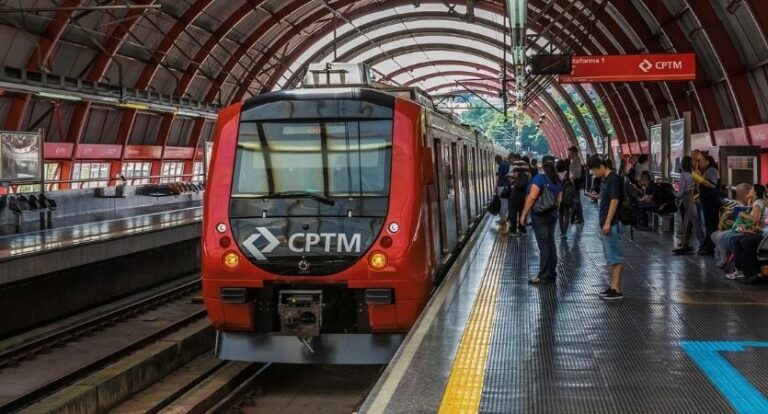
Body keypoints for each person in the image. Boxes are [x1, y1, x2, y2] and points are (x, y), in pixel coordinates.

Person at [587, 155, 624, 300]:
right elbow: (609, 198)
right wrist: (598, 196)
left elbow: (614, 201)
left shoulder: (613, 179)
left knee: (615, 256)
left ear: (602, 166)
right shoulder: (607, 179)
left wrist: (608, 222)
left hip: (612, 223)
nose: (594, 174)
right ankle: (612, 286)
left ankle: (616, 289)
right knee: (610, 257)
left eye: (595, 170)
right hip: (607, 222)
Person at [519, 158, 563, 285]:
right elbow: (560, 199)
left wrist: (523, 214)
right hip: (552, 216)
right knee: (551, 244)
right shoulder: (557, 180)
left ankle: (543, 276)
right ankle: (552, 273)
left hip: (540, 217)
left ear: (542, 166)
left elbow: (532, 197)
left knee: (544, 246)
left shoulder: (539, 179)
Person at [711, 183, 753, 269]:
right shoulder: (742, 204)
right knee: (714, 235)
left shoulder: (754, 205)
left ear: (746, 192)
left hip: (744, 229)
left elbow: (750, 221)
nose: (737, 196)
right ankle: (723, 257)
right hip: (738, 227)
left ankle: (725, 260)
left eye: (738, 194)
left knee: (720, 237)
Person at [693, 155, 720, 255]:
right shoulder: (706, 171)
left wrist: (700, 179)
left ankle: (709, 247)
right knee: (709, 224)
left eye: (701, 161)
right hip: (707, 201)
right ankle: (707, 245)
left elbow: (712, 185)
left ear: (708, 161)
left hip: (711, 202)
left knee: (711, 224)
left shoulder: (712, 170)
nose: (699, 163)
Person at [674, 156, 700, 254]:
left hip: (687, 196)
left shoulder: (684, 174)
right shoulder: (693, 173)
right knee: (687, 220)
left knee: (692, 219)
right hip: (692, 195)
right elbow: (699, 182)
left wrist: (677, 196)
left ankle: (701, 242)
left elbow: (682, 189)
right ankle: (685, 242)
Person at [507, 161, 529, 236]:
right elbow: (528, 179)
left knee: (513, 212)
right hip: (523, 194)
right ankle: (522, 229)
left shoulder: (514, 166)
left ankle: (513, 230)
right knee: (522, 212)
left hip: (516, 194)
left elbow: (512, 179)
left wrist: (513, 184)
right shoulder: (526, 169)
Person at [556, 159, 574, 239]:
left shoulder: (556, 175)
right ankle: (564, 233)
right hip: (567, 196)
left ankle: (561, 232)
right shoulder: (569, 173)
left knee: (560, 214)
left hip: (559, 197)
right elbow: (572, 185)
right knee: (567, 214)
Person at [567, 147, 584, 224]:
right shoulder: (574, 160)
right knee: (576, 200)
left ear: (573, 152)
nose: (568, 154)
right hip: (575, 182)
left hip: (575, 183)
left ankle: (580, 218)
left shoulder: (576, 160)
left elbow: (577, 173)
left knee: (577, 200)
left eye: (570, 152)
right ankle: (578, 216)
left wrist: (572, 178)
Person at [495, 155, 510, 225]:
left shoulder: (501, 165)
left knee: (503, 202)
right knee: (505, 202)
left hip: (502, 186)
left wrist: (497, 186)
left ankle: (503, 218)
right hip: (505, 185)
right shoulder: (506, 165)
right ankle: (503, 218)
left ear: (499, 159)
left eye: (496, 160)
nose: (496, 162)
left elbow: (500, 176)